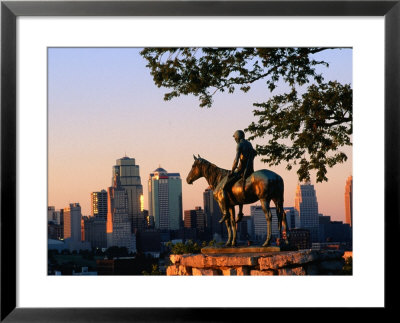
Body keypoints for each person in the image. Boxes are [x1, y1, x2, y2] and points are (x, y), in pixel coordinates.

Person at [219, 130, 257, 223]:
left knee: (224, 188)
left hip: (241, 171)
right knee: (238, 189)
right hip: (250, 170)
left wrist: (232, 171)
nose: (234, 139)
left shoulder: (239, 145)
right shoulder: (249, 144)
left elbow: (236, 160)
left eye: (235, 137)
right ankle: (240, 213)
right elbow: (253, 154)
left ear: (238, 137)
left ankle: (226, 212)